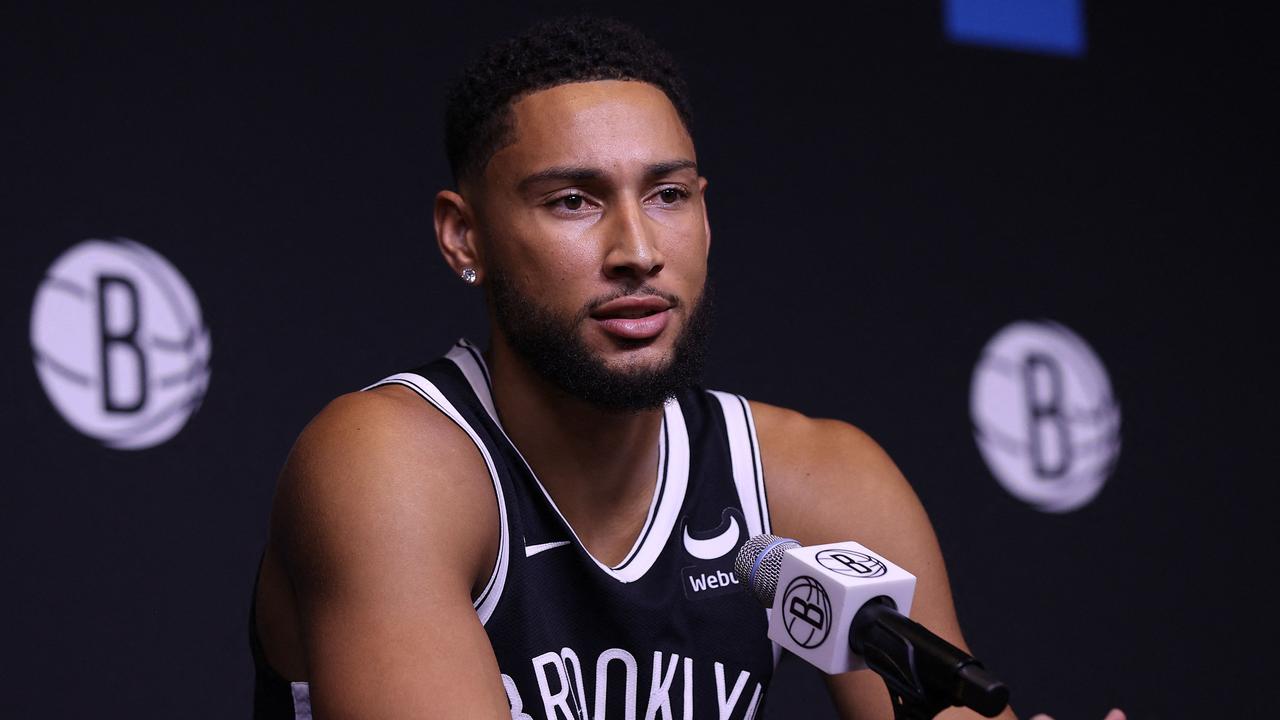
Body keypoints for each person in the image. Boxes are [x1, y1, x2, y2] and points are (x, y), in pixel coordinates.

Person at [250, 16, 1123, 720]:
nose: (637, 250)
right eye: (572, 201)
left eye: (667, 194)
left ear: (704, 216)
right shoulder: (386, 462)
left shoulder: (817, 482)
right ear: (463, 235)